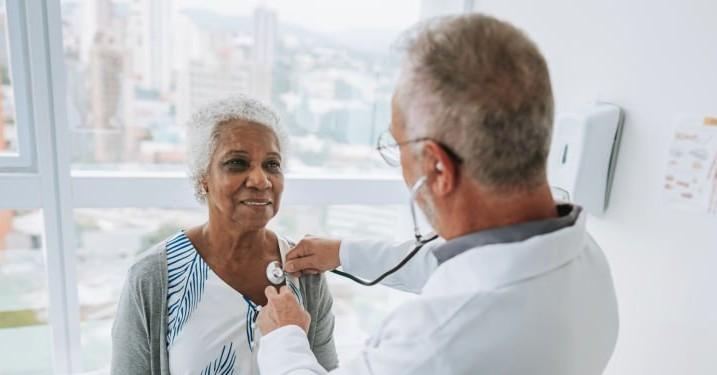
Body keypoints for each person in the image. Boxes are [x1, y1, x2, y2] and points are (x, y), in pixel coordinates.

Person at [255, 14, 619, 375]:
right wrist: (343, 253)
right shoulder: (584, 256)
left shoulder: (437, 340)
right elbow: (456, 267)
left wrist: (284, 338)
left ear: (438, 168)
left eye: (396, 146)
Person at [110, 95, 338, 374]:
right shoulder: (154, 276)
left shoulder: (305, 272)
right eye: (237, 163)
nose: (260, 180)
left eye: (272, 164)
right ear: (202, 177)